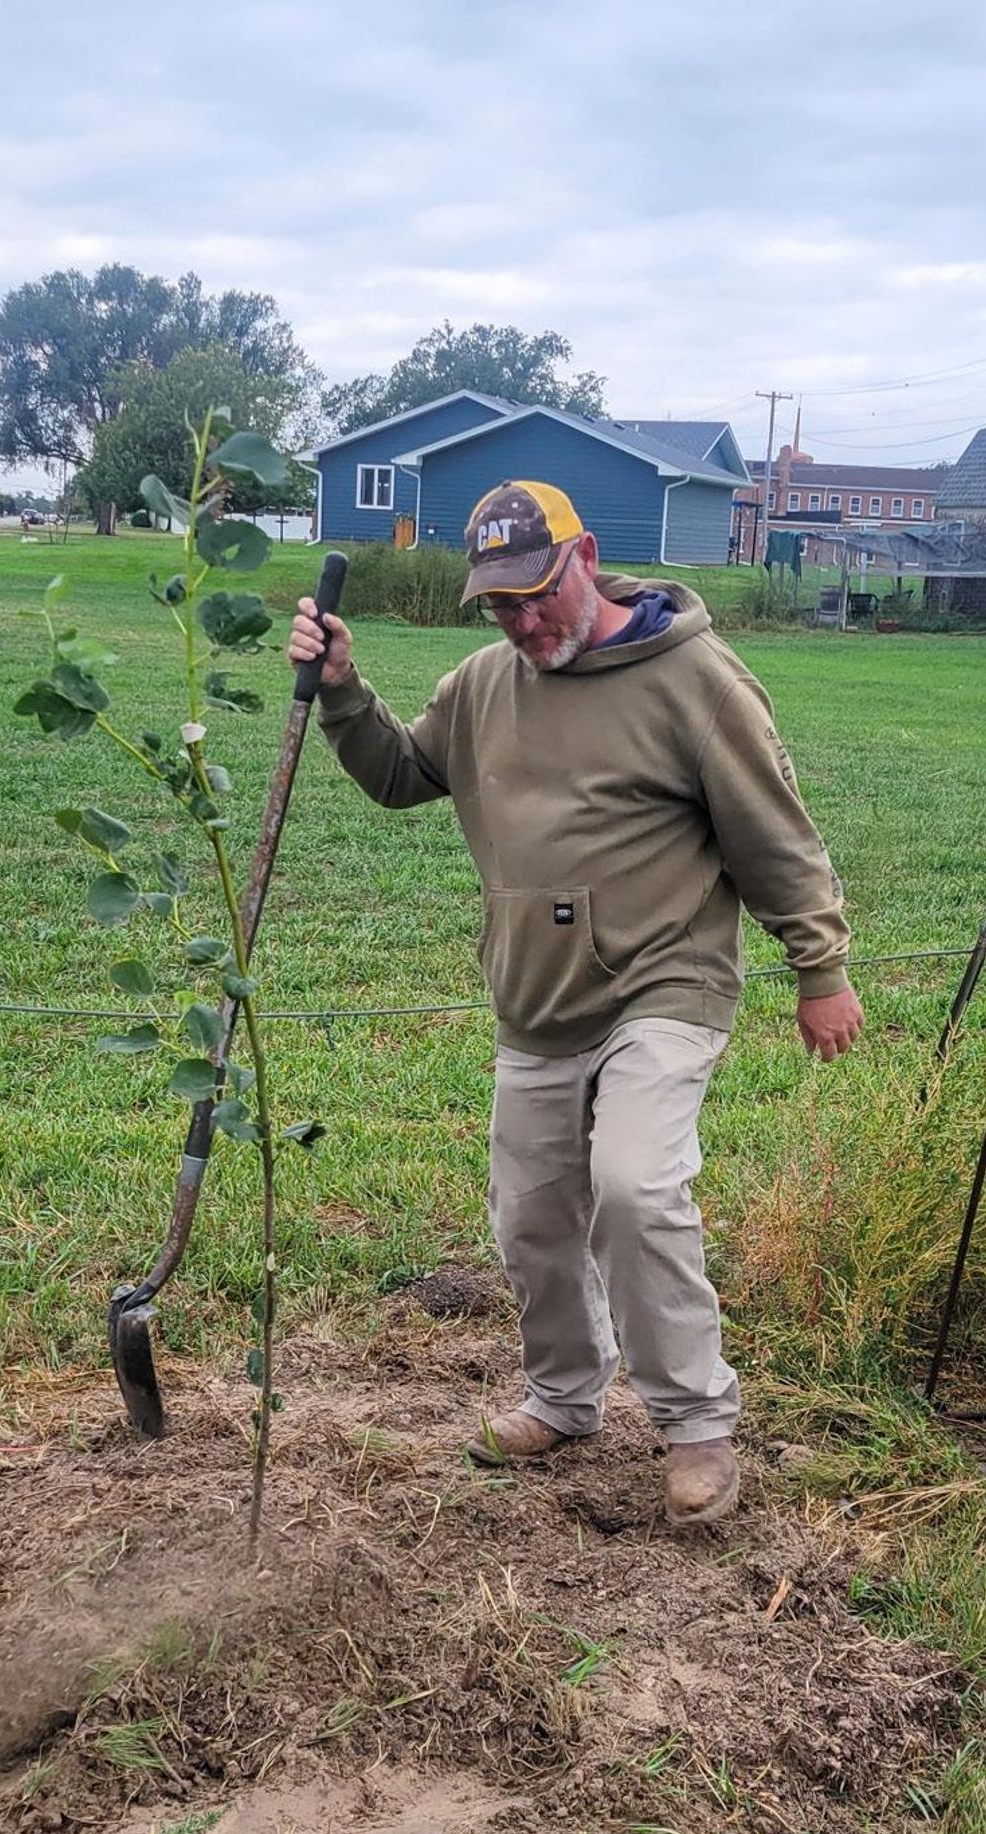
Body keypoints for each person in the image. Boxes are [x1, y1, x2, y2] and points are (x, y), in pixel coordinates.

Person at [288, 481, 863, 1526]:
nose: (522, 621)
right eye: (499, 606)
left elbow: (774, 834)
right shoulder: (481, 686)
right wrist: (340, 687)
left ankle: (695, 1427)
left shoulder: (695, 679)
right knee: (534, 1218)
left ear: (585, 557)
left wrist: (818, 968)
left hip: (665, 978)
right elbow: (404, 775)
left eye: (537, 595)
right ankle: (565, 1395)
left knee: (636, 1187)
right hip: (536, 998)